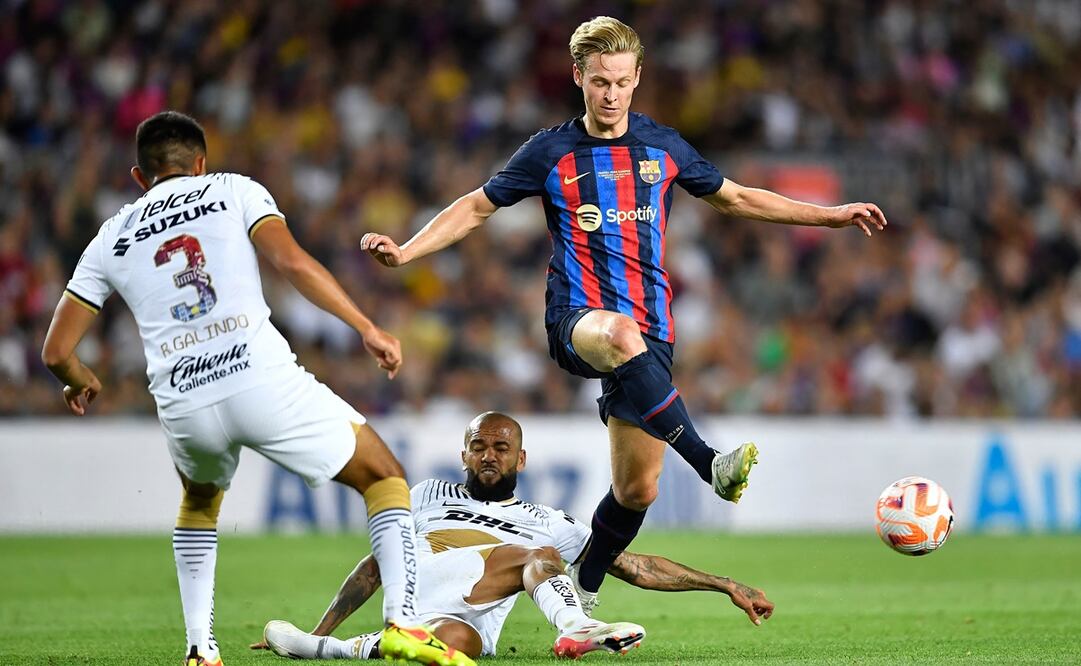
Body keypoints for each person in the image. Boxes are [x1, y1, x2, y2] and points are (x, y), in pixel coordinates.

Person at [359, 16, 888, 611]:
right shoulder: (550, 151)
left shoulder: (662, 147)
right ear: (579, 78)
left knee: (637, 489)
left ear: (637, 80)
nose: (610, 94)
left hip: (653, 334)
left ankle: (581, 592)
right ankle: (710, 462)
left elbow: (738, 198)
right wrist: (406, 251)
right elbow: (476, 208)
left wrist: (832, 214)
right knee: (616, 329)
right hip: (578, 319)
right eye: (599, 82)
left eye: (621, 82)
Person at [40, 111, 472, 666]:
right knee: (384, 476)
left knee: (198, 504)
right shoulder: (233, 190)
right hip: (257, 378)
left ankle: (200, 648)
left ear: (138, 176)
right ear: (200, 162)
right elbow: (291, 261)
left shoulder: (112, 234)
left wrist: (80, 380)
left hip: (182, 398)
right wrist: (366, 326)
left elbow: (55, 351)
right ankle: (404, 627)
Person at [254, 412, 774, 661]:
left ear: (521, 459)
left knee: (463, 645)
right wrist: (320, 623)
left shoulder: (547, 520)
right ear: (463, 455)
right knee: (443, 642)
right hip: (417, 601)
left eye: (501, 447)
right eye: (478, 446)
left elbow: (632, 565)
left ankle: (322, 650)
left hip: (466, 616)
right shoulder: (428, 493)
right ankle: (324, 646)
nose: (489, 455)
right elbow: (373, 566)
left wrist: (724, 583)